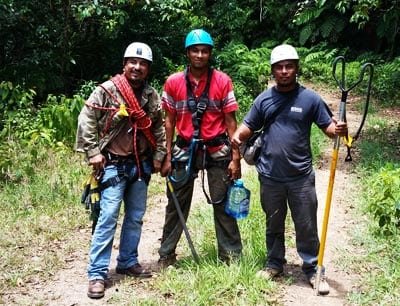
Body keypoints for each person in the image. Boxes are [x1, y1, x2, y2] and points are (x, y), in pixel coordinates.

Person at [232, 44, 348, 295]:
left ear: (296, 69)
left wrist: (338, 130)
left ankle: (312, 268)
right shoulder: (264, 99)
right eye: (279, 67)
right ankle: (275, 264)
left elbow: (328, 129)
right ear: (273, 71)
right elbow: (247, 126)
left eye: (289, 66)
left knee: (306, 224)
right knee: (273, 223)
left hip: (301, 177)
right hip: (270, 175)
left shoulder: (310, 99)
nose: (284, 71)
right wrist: (238, 137)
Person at [75, 42, 166, 299]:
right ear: (124, 64)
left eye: (143, 64)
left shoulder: (150, 96)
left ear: (148, 68)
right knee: (107, 218)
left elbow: (158, 128)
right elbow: (87, 119)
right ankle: (97, 273)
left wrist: (159, 156)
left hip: (140, 165)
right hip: (113, 164)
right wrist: (93, 152)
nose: (137, 67)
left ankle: (127, 261)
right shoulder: (108, 90)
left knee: (136, 216)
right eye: (132, 62)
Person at [158, 29, 242, 266]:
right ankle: (166, 253)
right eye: (195, 50)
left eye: (204, 51)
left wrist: (236, 158)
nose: (200, 55)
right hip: (184, 148)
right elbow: (169, 121)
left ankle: (231, 256)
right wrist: (166, 155)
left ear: (210, 53)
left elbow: (230, 121)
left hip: (216, 148)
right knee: (176, 204)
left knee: (223, 204)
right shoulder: (174, 82)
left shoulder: (222, 81)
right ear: (187, 53)